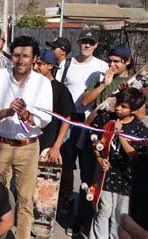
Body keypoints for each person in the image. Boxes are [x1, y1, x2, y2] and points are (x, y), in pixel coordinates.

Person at [0, 36, 53, 239]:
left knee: (25, 199)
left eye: (25, 56)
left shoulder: (42, 83)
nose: (20, 60)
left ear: (34, 59)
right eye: (16, 55)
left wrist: (26, 115)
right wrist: (8, 111)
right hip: (0, 143)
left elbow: (46, 118)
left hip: (28, 146)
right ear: (11, 56)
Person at [55, 30, 108, 235]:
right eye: (84, 42)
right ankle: (67, 198)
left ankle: (84, 215)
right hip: (68, 118)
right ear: (78, 43)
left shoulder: (102, 66)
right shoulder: (67, 64)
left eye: (91, 43)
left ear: (96, 45)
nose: (87, 45)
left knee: (87, 167)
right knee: (66, 163)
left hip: (90, 121)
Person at [88, 88, 147, 239]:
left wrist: (120, 134)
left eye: (124, 106)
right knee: (102, 211)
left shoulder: (140, 129)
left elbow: (135, 156)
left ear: (133, 110)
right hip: (106, 175)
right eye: (119, 103)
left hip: (127, 179)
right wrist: (99, 158)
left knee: (120, 216)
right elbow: (95, 141)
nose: (118, 108)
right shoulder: (106, 119)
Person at [33, 48, 75, 214]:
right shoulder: (32, 86)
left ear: (50, 65)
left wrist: (57, 146)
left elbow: (67, 119)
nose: (35, 67)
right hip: (32, 143)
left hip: (50, 145)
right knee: (32, 186)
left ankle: (44, 220)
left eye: (39, 64)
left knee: (47, 187)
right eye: (34, 63)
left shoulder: (60, 90)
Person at [81, 45, 133, 109]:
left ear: (127, 61)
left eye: (116, 61)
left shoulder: (133, 82)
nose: (111, 64)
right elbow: (84, 102)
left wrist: (128, 95)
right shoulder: (100, 78)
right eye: (110, 61)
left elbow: (140, 114)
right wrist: (103, 85)